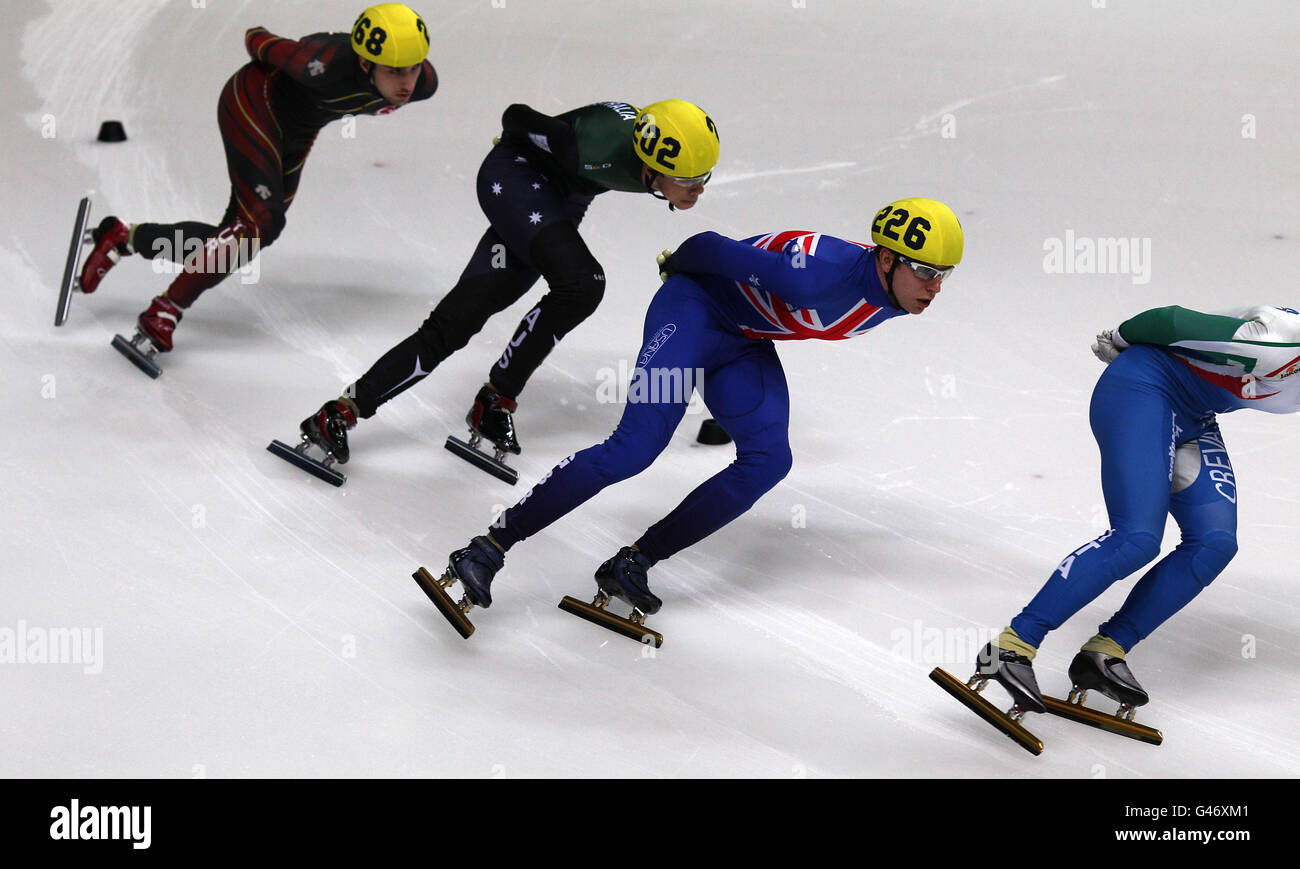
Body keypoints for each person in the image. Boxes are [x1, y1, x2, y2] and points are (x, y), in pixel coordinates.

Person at [432, 198, 964, 624]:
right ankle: (487, 548)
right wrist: (675, 268)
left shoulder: (892, 294)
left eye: (944, 275)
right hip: (691, 311)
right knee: (633, 450)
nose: (934, 287)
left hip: (741, 337)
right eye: (925, 272)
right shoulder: (818, 276)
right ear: (888, 258)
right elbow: (708, 246)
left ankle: (633, 563)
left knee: (769, 459)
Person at [292, 98, 719, 466]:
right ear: (648, 166)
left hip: (557, 198)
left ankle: (341, 412)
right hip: (514, 177)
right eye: (685, 180)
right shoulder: (589, 145)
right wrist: (538, 144)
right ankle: (497, 398)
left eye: (704, 177)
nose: (696, 190)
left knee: (460, 318)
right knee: (584, 283)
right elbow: (515, 115)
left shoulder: (657, 140)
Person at [975, 304, 1300, 716]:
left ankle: (1104, 652)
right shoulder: (1280, 344)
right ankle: (1011, 648)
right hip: (1142, 387)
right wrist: (1122, 340)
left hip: (1195, 417)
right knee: (1137, 538)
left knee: (1214, 543)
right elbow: (1171, 321)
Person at [79, 3, 438, 353]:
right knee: (259, 223)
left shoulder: (424, 84)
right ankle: (164, 311)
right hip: (253, 102)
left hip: (298, 130)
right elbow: (256, 39)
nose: (407, 83)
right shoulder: (321, 65)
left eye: (412, 69)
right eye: (394, 72)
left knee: (244, 238)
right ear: (364, 63)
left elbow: (404, 80)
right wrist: (280, 47)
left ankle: (124, 237)